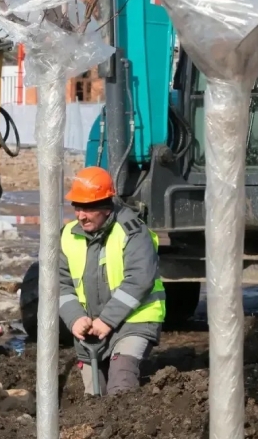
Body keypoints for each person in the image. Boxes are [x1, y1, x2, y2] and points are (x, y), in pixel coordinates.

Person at [58, 166, 166, 396]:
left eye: (88, 208)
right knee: (93, 395)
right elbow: (60, 284)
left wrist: (107, 320)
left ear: (106, 208)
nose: (80, 215)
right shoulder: (68, 236)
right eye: (77, 207)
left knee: (121, 381)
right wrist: (74, 319)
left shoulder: (133, 232)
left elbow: (140, 279)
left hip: (134, 320)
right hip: (91, 329)